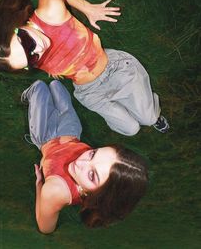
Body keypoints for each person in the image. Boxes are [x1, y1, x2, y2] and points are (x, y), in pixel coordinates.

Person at [0, 0, 169, 135]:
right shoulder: (33, 55)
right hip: (89, 92)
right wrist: (54, 69)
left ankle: (152, 116)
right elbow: (37, 57)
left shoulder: (52, 13)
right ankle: (131, 111)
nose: (37, 51)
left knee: (148, 117)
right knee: (131, 129)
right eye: (30, 61)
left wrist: (88, 9)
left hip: (115, 70)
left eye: (27, 43)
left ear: (16, 24)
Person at [21, 79, 148, 233]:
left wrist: (39, 185)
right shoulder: (83, 162)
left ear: (98, 196)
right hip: (71, 131)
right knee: (55, 84)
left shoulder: (55, 190)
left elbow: (45, 228)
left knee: (39, 87)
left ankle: (27, 94)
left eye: (92, 175)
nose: (81, 161)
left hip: (45, 137)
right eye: (93, 153)